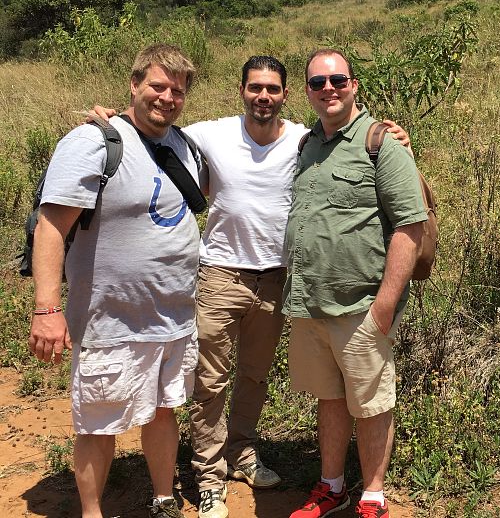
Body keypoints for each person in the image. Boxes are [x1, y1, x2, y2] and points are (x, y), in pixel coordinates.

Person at [93, 55, 410, 518]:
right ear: (241, 91)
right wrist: (111, 120)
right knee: (210, 381)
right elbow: (154, 126)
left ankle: (241, 453)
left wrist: (394, 133)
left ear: (286, 94)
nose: (264, 96)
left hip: (278, 280)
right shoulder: (210, 134)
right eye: (255, 88)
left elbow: (355, 141)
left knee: (255, 377)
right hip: (220, 274)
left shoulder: (307, 138)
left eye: (273, 89)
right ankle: (208, 477)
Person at [28, 44, 201, 518]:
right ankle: (92, 511)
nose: (167, 98)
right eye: (158, 86)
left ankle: (164, 499)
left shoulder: (184, 144)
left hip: (175, 316)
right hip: (112, 321)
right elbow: (50, 227)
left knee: (165, 410)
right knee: (99, 422)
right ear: (134, 84)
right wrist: (47, 308)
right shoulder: (93, 142)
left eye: (178, 91)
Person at [285, 49, 426, 518]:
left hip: (362, 304)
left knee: (370, 402)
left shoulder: (380, 143)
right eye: (318, 82)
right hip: (310, 304)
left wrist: (385, 305)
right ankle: (331, 486)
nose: (329, 89)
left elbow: (410, 226)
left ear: (354, 85)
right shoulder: (307, 145)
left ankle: (373, 493)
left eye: (337, 80)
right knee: (330, 396)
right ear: (306, 91)